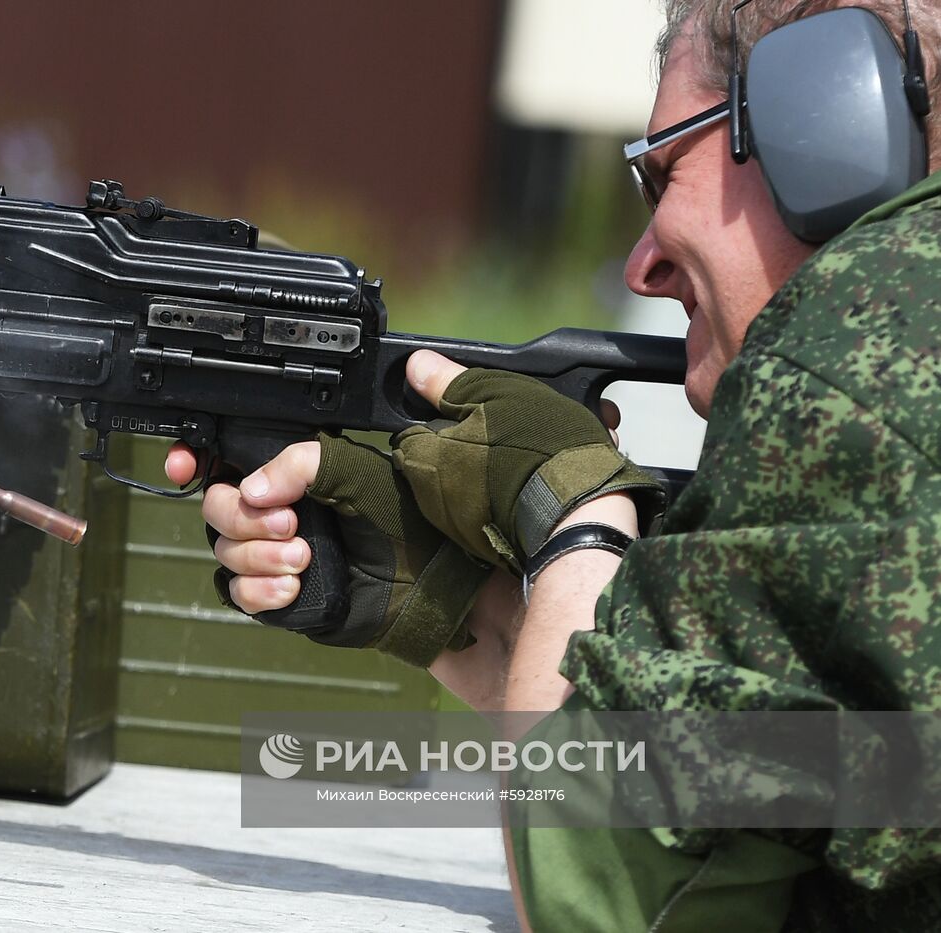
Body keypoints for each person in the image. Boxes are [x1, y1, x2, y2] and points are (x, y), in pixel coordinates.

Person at [166, 0, 941, 928]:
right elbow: (780, 827)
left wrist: (574, 510)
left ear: (830, 120)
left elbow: (607, 898)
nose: (641, 266)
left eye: (663, 174)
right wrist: (456, 604)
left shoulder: (846, 354)